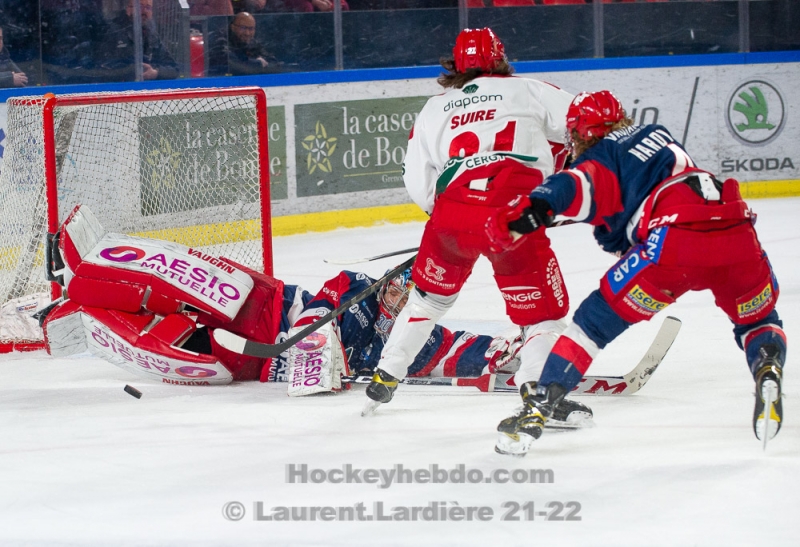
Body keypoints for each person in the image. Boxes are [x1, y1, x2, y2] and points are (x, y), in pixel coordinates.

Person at [39, 206, 597, 426]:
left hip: (250, 362)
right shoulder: (361, 289)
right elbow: (330, 295)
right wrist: (325, 321)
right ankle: (85, 268)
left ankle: (72, 315)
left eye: (414, 292)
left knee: (168, 342)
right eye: (402, 287)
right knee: (185, 278)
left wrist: (507, 360)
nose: (405, 299)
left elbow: (456, 350)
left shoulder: (418, 334)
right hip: (266, 305)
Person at [487, 90, 787, 455]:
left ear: (579, 133)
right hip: (738, 234)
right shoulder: (658, 134)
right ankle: (767, 367)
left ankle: (537, 409)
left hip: (673, 249)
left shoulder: (601, 158)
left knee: (591, 324)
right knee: (758, 318)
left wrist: (525, 217)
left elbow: (574, 187)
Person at [362, 27, 577, 416]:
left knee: (428, 301)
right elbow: (582, 119)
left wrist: (446, 217)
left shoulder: (434, 107)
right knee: (542, 316)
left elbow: (417, 180)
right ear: (500, 57)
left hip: (451, 216)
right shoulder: (528, 89)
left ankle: (386, 374)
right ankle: (536, 394)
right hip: (513, 216)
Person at [99, 0, 180, 81]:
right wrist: (130, 71)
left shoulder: (152, 35)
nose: (144, 11)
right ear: (128, 9)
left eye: (148, 8)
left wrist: (155, 73)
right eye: (140, 7)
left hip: (147, 90)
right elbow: (101, 69)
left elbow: (174, 69)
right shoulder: (111, 31)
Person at [211, 11, 279, 75]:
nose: (247, 33)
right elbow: (233, 65)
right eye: (243, 28)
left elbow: (273, 62)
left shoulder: (252, 42)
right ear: (232, 27)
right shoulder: (220, 39)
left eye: (251, 29)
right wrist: (258, 63)